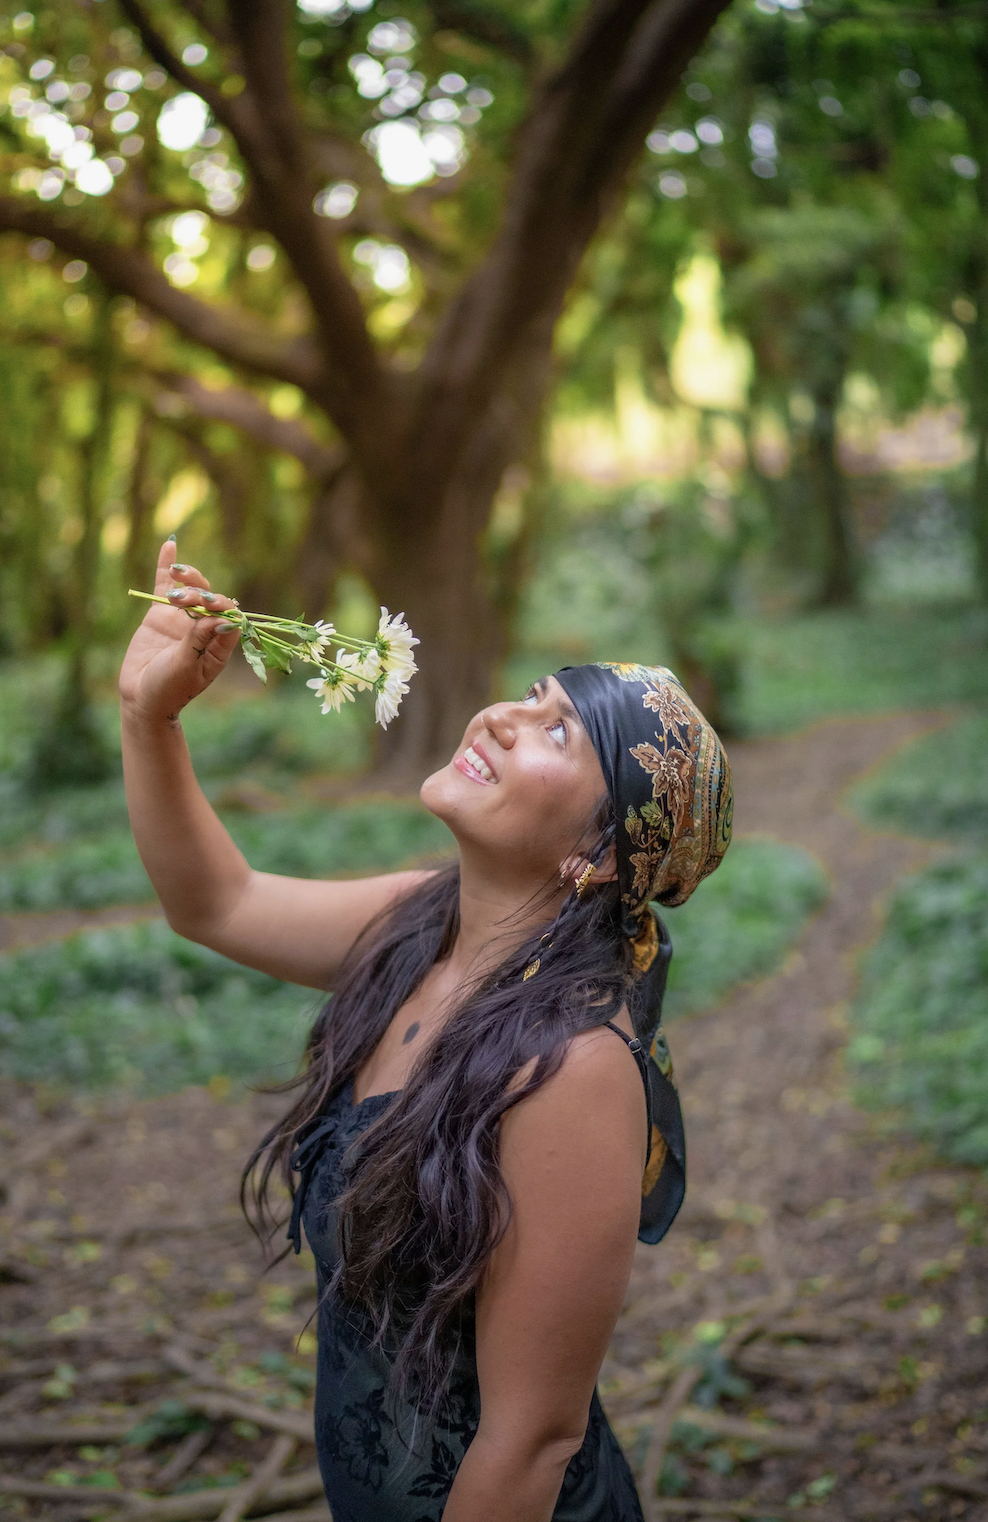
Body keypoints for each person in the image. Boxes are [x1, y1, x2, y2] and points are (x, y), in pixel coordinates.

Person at [119, 539, 733, 1522]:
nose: (501, 715)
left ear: (598, 855)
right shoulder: (419, 924)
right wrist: (149, 715)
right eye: (530, 693)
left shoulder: (572, 1066)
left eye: (558, 734)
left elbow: (531, 1439)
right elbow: (216, 902)